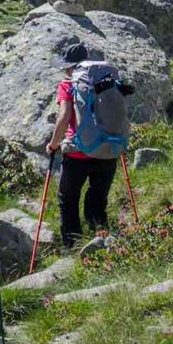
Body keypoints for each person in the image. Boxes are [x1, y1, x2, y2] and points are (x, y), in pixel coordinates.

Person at [47, 42, 116, 246]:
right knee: (97, 200)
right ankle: (103, 243)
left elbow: (64, 116)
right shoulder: (106, 81)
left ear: (70, 67)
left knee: (67, 201)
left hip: (78, 154)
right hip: (107, 152)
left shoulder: (67, 85)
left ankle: (74, 246)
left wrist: (53, 145)